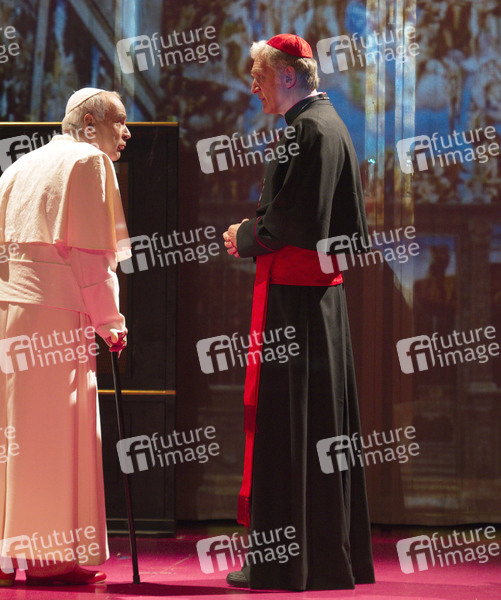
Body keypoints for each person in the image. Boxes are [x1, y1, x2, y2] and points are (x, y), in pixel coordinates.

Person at [0, 88, 131, 586]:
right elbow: (93, 257)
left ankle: (1, 557)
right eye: (119, 121)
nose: (125, 133)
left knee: (6, 433)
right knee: (50, 435)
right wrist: (111, 323)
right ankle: (49, 558)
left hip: (5, 316)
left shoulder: (21, 165)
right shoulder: (89, 162)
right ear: (90, 121)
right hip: (52, 317)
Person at [222, 34, 375, 590]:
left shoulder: (305, 131)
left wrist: (243, 236)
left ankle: (282, 562)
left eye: (260, 76)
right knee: (321, 431)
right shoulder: (332, 126)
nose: (254, 87)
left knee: (288, 431)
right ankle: (328, 559)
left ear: (288, 76)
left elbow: (287, 222)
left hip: (293, 302)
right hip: (320, 304)